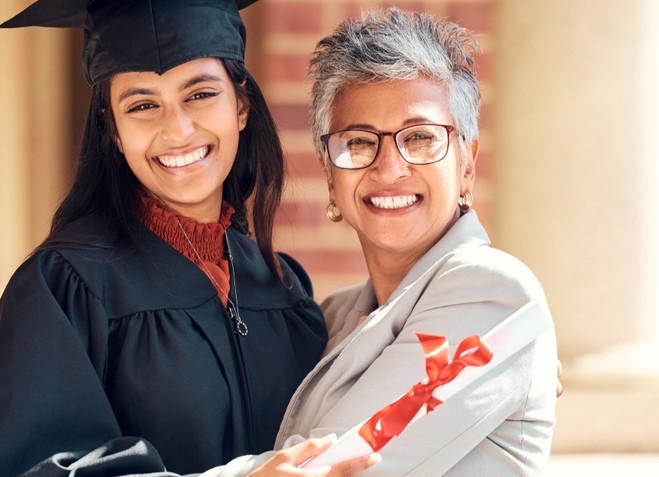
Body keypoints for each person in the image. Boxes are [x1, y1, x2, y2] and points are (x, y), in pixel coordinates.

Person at [0, 1, 377, 476]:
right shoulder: (64, 291)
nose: (176, 130)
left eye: (199, 94)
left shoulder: (280, 286)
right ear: (112, 130)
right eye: (142, 105)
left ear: (241, 104)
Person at [211, 8, 558, 477]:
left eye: (420, 138)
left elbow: (337, 466)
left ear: (467, 164)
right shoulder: (331, 318)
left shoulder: (495, 295)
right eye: (357, 142)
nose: (389, 169)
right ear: (330, 176)